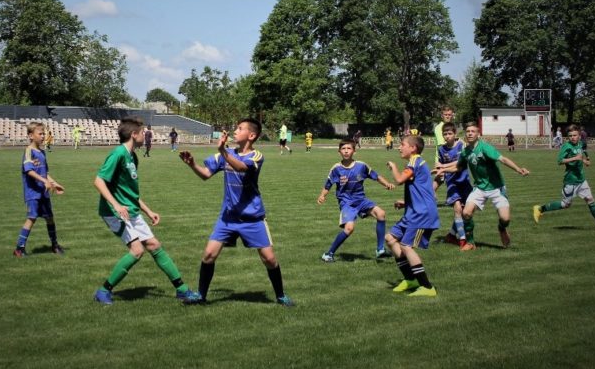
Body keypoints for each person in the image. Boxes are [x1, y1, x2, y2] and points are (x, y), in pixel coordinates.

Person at [179, 119, 294, 307]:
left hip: (252, 217)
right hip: (228, 217)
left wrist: (223, 151)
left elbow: (242, 168)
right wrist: (192, 164)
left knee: (270, 259)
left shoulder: (257, 156)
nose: (235, 131)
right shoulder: (225, 155)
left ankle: (280, 295)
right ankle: (201, 295)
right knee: (208, 255)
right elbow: (206, 174)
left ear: (251, 135)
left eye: (240, 128)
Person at [93, 117, 200, 305]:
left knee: (154, 246)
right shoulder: (118, 154)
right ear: (134, 134)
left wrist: (148, 211)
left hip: (131, 211)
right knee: (137, 251)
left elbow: (130, 192)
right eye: (143, 132)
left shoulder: (132, 156)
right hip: (114, 212)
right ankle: (103, 291)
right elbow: (99, 181)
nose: (145, 135)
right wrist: (117, 206)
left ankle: (182, 290)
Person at [436, 123, 529, 249]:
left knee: (505, 219)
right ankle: (470, 243)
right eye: (468, 131)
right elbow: (459, 167)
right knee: (466, 213)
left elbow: (503, 159)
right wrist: (443, 170)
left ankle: (502, 228)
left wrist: (518, 169)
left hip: (496, 187)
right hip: (479, 188)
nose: (469, 133)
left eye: (473, 131)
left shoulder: (485, 148)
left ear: (478, 134)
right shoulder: (466, 151)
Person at [317, 140, 395, 261]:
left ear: (354, 150)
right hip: (346, 202)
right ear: (339, 151)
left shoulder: (361, 166)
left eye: (349, 148)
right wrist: (322, 195)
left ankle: (380, 250)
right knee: (349, 228)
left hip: (361, 200)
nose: (346, 151)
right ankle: (329, 254)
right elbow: (328, 184)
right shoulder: (336, 168)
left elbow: (376, 176)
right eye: (343, 149)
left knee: (381, 214)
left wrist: (386, 184)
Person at [533, 124, 595, 232]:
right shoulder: (566, 146)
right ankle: (540, 209)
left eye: (574, 135)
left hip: (581, 180)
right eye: (570, 136)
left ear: (579, 136)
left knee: (590, 199)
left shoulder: (580, 144)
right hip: (571, 181)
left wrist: (586, 160)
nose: (572, 137)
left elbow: (583, 151)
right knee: (565, 204)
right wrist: (574, 158)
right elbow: (560, 161)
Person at [385, 135, 440, 297]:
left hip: (421, 214)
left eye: (402, 145)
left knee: (406, 246)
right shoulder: (415, 162)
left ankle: (427, 287)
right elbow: (423, 189)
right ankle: (410, 279)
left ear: (413, 148)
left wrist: (393, 166)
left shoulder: (415, 161)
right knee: (390, 238)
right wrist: (406, 203)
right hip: (413, 212)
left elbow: (400, 180)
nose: (399, 147)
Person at [13, 122, 66, 257]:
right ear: (31, 135)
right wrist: (44, 181)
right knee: (32, 218)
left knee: (50, 218)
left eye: (44, 134)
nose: (43, 136)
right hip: (33, 192)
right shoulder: (29, 151)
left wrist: (54, 184)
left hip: (44, 192)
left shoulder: (42, 152)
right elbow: (29, 170)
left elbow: (44, 173)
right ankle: (19, 248)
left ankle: (54, 245)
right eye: (40, 134)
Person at [436, 122, 473, 249]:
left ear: (455, 134)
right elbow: (439, 165)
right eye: (445, 134)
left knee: (464, 212)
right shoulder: (441, 149)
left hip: (465, 182)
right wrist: (439, 175)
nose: (447, 136)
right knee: (457, 209)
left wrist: (443, 167)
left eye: (449, 133)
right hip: (452, 183)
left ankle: (451, 235)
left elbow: (461, 163)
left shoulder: (461, 145)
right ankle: (463, 241)